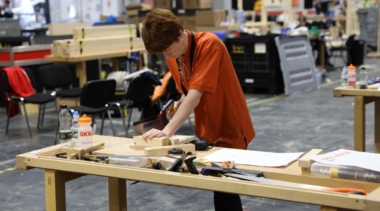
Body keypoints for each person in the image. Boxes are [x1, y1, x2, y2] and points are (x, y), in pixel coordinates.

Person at [141, 8, 255, 211]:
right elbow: (187, 92)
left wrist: (167, 131)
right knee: (220, 184)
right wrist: (178, 104)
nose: (167, 56)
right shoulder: (173, 56)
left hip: (230, 125)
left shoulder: (209, 44)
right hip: (208, 127)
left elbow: (196, 93)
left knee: (223, 188)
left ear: (179, 34)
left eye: (168, 50)